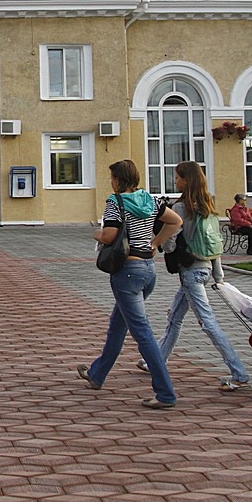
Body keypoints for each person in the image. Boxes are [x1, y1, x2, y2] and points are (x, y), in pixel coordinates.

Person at [137, 161, 252, 392]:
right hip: (205, 269)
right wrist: (219, 276)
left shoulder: (181, 208)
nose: (175, 181)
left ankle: (238, 372)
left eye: (178, 177)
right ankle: (157, 361)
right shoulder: (206, 204)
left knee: (207, 322)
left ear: (186, 180)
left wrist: (161, 244)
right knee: (174, 317)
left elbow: (170, 242)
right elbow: (214, 243)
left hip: (191, 272)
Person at [78, 159, 183, 409]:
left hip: (127, 271)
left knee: (142, 333)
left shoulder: (116, 202)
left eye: (112, 177)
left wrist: (97, 234)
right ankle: (97, 374)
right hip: (148, 270)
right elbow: (175, 221)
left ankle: (165, 394)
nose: (110, 182)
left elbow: (110, 235)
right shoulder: (151, 199)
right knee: (117, 326)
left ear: (118, 179)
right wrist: (155, 242)